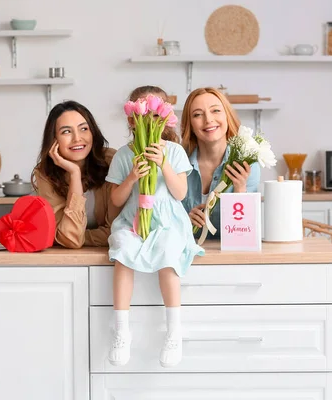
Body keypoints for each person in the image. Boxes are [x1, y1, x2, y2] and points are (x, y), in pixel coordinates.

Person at [105, 85, 205, 368]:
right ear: (131, 119)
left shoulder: (173, 151)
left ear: (164, 118)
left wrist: (163, 165)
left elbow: (181, 193)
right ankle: (121, 330)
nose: (149, 117)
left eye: (155, 110)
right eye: (142, 111)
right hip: (134, 220)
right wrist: (132, 177)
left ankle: (174, 332)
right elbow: (115, 199)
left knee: (168, 254)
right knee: (123, 251)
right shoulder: (125, 155)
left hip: (167, 222)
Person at [32, 100, 121, 248]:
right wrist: (74, 174)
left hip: (109, 257)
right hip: (67, 259)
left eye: (84, 129)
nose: (77, 138)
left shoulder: (112, 161)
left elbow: (116, 232)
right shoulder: (45, 173)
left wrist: (75, 237)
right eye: (66, 131)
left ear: (93, 131)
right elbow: (70, 239)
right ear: (54, 139)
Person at [180, 87, 260, 238]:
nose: (208, 120)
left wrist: (240, 190)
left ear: (227, 116)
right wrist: (183, 220)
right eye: (197, 114)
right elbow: (163, 216)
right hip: (187, 256)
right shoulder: (177, 164)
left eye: (215, 111)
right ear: (189, 124)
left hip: (229, 256)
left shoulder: (247, 164)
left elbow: (246, 230)